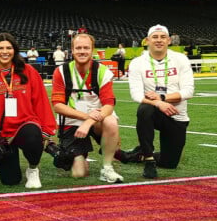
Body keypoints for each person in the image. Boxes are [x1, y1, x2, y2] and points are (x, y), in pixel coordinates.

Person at [0, 32, 56, 188]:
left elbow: (40, 100)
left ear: (15, 50)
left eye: (9, 48)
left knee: (33, 136)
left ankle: (33, 169)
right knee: (10, 180)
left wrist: (46, 128)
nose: (5, 52)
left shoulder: (28, 71)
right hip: (2, 133)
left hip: (26, 124)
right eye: (0, 48)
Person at [121, 24, 194, 178]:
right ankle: (148, 160)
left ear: (168, 40)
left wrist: (162, 98)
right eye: (155, 37)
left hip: (176, 114)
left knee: (170, 163)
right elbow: (136, 94)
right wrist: (158, 103)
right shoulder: (137, 63)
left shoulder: (180, 59)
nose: (159, 40)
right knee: (144, 110)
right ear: (147, 41)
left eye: (162, 37)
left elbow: (189, 91)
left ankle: (137, 155)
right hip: (154, 110)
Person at [51, 33, 123, 183]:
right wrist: (85, 117)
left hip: (97, 121)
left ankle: (107, 168)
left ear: (92, 50)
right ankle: (78, 154)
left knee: (111, 122)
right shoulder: (61, 72)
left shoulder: (103, 71)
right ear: (72, 50)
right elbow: (57, 105)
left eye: (86, 48)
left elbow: (109, 104)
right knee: (79, 172)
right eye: (78, 48)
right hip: (72, 122)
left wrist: (89, 121)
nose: (82, 51)